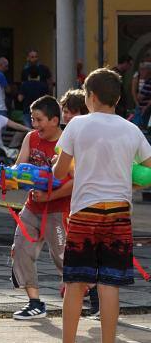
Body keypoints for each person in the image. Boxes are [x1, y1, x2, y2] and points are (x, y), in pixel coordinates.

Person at [43, 68, 151, 343]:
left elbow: (61, 171)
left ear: (89, 97)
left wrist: (65, 161)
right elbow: (147, 169)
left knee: (75, 284)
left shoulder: (77, 124)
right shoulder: (130, 131)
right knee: (110, 284)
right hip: (118, 212)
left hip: (85, 212)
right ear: (118, 98)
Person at [10, 96, 72, 320]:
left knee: (64, 257)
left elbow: (75, 181)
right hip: (32, 207)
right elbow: (19, 167)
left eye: (39, 120)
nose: (35, 125)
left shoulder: (67, 142)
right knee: (21, 249)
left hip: (59, 209)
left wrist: (50, 196)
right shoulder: (31, 138)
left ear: (55, 120)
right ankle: (34, 303)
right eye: (33, 119)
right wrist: (5, 175)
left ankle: (91, 295)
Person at [59, 88, 98, 316]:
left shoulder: (78, 133)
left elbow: (65, 172)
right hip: (75, 204)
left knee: (87, 257)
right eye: (65, 111)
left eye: (71, 112)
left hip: (83, 204)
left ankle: (95, 304)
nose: (67, 116)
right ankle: (95, 304)